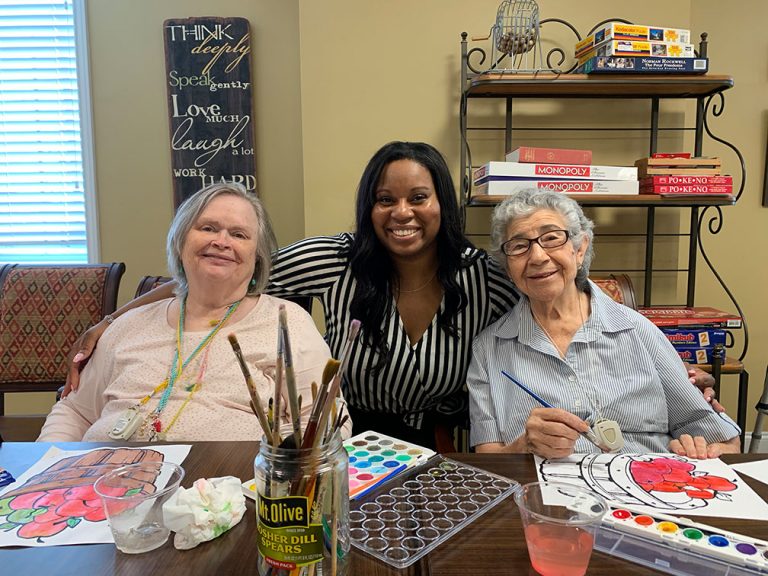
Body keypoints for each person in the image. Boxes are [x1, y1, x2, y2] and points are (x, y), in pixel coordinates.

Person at [63, 142, 718, 449]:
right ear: (368, 206)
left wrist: (660, 372)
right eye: (385, 198)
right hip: (344, 441)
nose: (401, 211)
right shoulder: (328, 261)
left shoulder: (484, 277)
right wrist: (113, 321)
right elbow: (225, 278)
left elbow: (555, 315)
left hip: (447, 447)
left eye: (418, 197)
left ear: (442, 205)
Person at [39, 183, 352, 442]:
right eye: (207, 228)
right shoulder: (128, 327)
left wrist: (281, 471)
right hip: (107, 489)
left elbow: (325, 421)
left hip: (233, 496)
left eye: (239, 234)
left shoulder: (287, 323)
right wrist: (49, 472)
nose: (221, 241)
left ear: (257, 259)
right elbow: (75, 412)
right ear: (179, 242)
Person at [467, 189, 740, 459]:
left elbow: (725, 442)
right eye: (518, 246)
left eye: (551, 238)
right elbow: (489, 457)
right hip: (541, 495)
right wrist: (524, 445)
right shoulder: (488, 349)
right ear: (507, 266)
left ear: (580, 248)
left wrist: (701, 450)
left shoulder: (637, 331)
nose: (537, 256)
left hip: (644, 488)